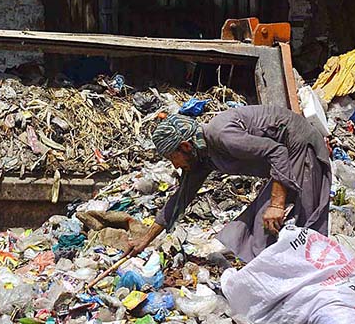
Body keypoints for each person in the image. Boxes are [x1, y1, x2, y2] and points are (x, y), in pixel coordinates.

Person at [125, 105, 331, 262]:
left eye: (173, 158)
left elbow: (277, 151)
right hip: (284, 160)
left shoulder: (222, 135)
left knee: (298, 226)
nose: (176, 166)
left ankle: (309, 282)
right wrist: (146, 239)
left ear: (185, 146)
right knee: (255, 230)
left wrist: (276, 205)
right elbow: (180, 199)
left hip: (299, 148)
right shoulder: (201, 157)